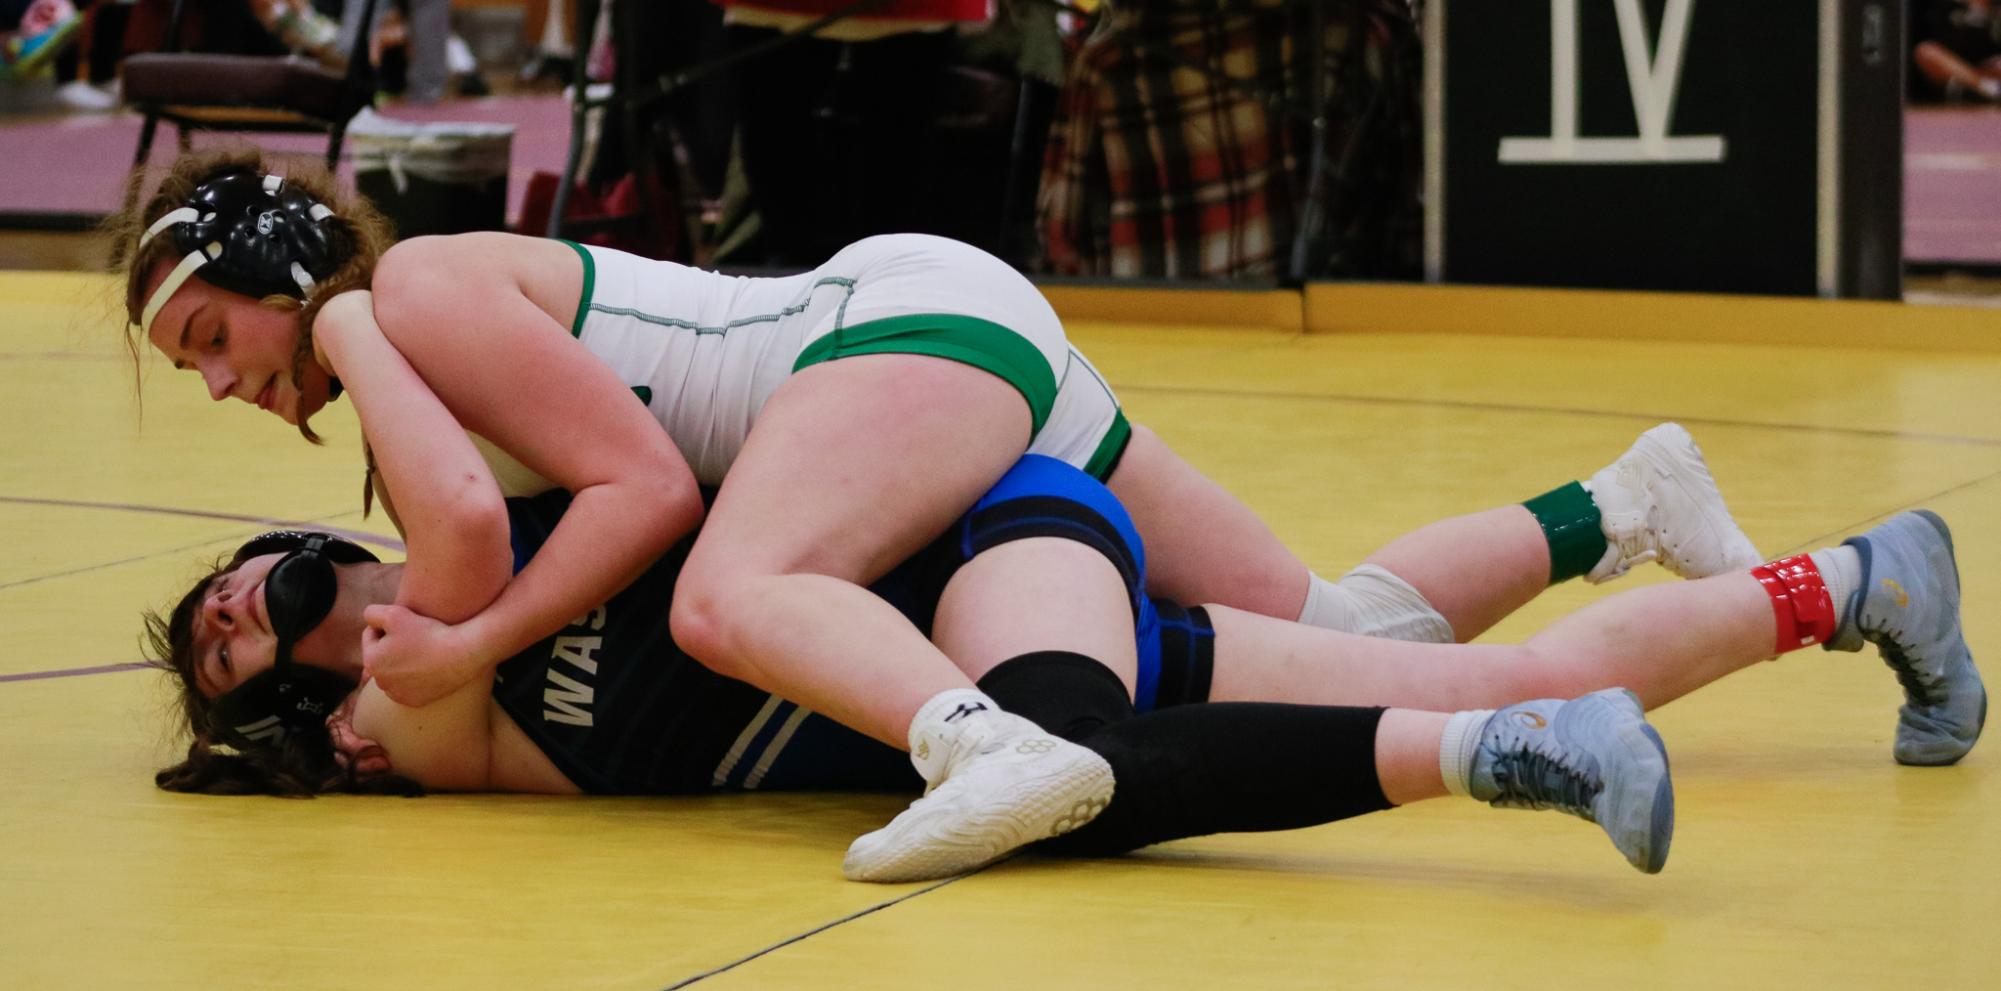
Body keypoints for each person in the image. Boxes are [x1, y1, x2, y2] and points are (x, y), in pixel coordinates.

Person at [113, 148, 1770, 830]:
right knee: (1326, 620)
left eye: (206, 334)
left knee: (723, 598)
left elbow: (620, 503)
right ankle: (1621, 507)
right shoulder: (409, 328)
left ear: (279, 272)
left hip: (888, 348)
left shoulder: (406, 305)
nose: (213, 381)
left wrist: (470, 643)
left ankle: (978, 744)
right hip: (932, 339)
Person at [144, 374, 1982, 879]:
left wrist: (352, 312)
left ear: (329, 529)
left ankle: (1489, 769)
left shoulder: (487, 497)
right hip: (1035, 565)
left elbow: (454, 497)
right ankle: (1853, 580)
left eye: (256, 577)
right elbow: (414, 636)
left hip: (987, 529)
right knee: (1473, 653)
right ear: (300, 714)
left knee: (1069, 758)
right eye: (247, 649)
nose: (256, 613)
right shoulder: (418, 717)